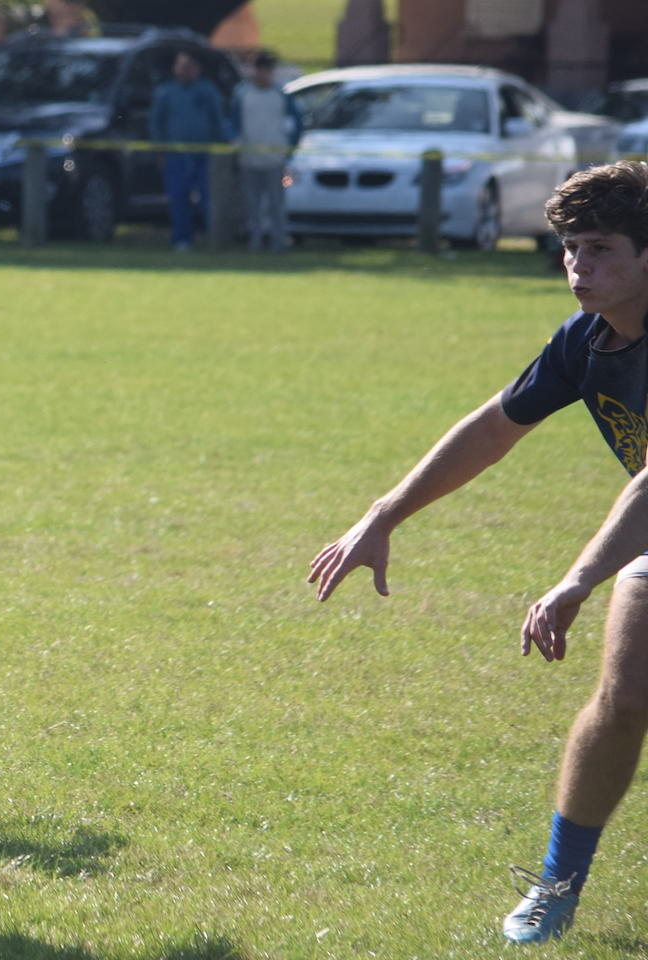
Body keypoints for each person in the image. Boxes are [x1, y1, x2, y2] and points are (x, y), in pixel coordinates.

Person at [309, 161, 648, 944]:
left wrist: (579, 579)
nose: (578, 267)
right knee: (627, 697)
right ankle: (557, 888)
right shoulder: (588, 341)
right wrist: (384, 513)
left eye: (599, 249)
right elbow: (495, 427)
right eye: (569, 249)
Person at [149, 51, 227, 252]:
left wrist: (223, 145)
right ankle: (182, 239)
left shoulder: (207, 91)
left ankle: (213, 238)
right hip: (176, 155)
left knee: (208, 199)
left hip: (205, 154)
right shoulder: (166, 92)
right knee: (178, 197)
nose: (185, 70)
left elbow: (218, 121)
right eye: (181, 66)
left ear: (197, 69)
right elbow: (156, 124)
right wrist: (159, 151)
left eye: (189, 66)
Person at [228, 51, 301, 253]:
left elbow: (297, 124)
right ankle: (256, 242)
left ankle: (278, 241)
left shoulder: (280, 95)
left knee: (276, 204)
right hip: (249, 160)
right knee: (252, 205)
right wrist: (235, 142)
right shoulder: (242, 93)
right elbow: (233, 123)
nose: (260, 74)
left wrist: (289, 150)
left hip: (275, 160)